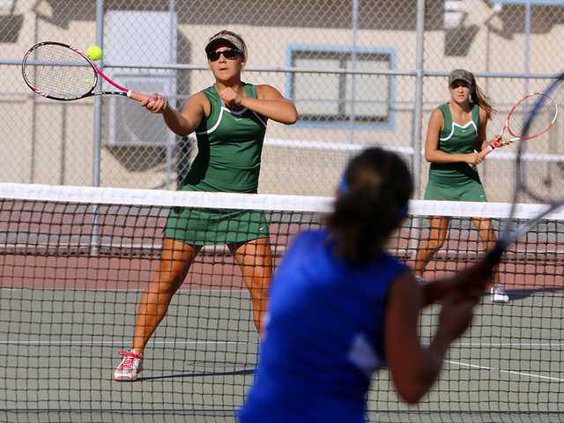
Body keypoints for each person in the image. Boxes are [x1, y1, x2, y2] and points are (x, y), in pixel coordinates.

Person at [238, 147, 498, 422]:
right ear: (399, 218)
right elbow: (411, 387)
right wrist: (446, 331)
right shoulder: (396, 282)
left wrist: (443, 287)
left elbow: (357, 303)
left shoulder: (303, 246)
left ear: (339, 194)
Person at [113, 30, 298, 381]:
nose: (222, 58)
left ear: (242, 58)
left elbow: (290, 114)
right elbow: (183, 126)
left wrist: (244, 102)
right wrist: (165, 108)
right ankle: (134, 354)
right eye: (214, 54)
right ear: (210, 62)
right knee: (168, 279)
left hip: (243, 207)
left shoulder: (263, 94)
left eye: (229, 52)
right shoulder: (203, 99)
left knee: (264, 287)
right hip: (197, 202)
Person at [414, 69, 509, 303]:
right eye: (455, 85)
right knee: (436, 240)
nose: (460, 89)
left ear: (471, 89)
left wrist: (490, 145)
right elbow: (430, 154)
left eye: (464, 85)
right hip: (440, 184)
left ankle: (497, 285)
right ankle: (415, 276)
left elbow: (480, 144)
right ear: (450, 88)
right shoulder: (439, 114)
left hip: (468, 183)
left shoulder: (481, 114)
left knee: (489, 235)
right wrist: (465, 157)